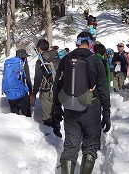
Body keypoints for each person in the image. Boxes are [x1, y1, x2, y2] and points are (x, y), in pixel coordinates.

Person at [53, 32, 111, 174]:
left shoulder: (66, 59)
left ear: (77, 43)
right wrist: (106, 113)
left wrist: (56, 106)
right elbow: (104, 89)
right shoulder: (96, 61)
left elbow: (57, 84)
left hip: (71, 108)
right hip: (91, 108)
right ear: (91, 44)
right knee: (90, 146)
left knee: (70, 148)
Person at [32, 39, 62, 137]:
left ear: (39, 48)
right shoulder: (56, 56)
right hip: (58, 89)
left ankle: (49, 137)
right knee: (56, 111)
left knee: (47, 116)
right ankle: (57, 133)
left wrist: (33, 93)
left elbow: (38, 79)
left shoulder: (40, 61)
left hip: (46, 90)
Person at [4, 49, 33, 117]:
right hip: (21, 95)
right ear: (24, 57)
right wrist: (30, 91)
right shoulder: (23, 64)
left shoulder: (9, 64)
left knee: (15, 118)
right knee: (27, 118)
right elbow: (28, 79)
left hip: (10, 95)